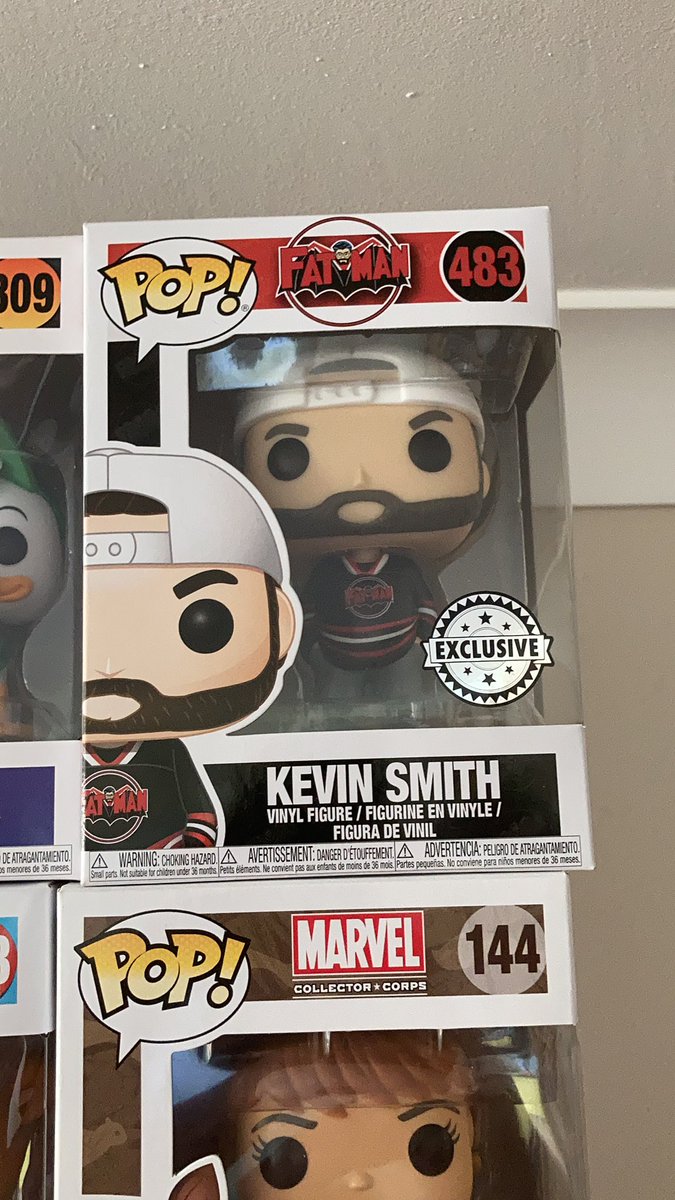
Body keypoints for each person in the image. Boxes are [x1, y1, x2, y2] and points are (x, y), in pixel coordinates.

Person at [235, 335, 494, 704]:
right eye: (289, 456)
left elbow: (426, 610)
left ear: (483, 477)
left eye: (429, 448)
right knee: (335, 707)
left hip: (401, 657)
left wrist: (434, 644)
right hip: (336, 662)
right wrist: (305, 651)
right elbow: (308, 613)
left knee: (406, 704)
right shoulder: (328, 572)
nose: (361, 482)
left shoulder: (403, 569)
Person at [82, 447, 298, 851]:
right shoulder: (59, 751)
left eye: (202, 623)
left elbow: (201, 815)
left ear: (280, 624)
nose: (110, 665)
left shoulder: (168, 749)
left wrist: (188, 857)